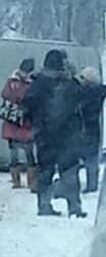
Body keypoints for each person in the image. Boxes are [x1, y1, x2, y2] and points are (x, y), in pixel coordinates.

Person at [22, 49, 86, 217]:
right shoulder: (69, 83)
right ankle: (74, 207)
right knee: (70, 170)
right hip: (68, 135)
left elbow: (26, 106)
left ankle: (44, 205)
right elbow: (82, 100)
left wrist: (35, 124)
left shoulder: (37, 83)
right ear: (61, 64)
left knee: (45, 170)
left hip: (44, 134)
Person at [0, 58, 37, 190]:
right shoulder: (30, 83)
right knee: (26, 152)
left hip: (13, 121)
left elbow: (4, 94)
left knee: (19, 151)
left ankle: (18, 180)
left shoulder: (12, 80)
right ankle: (29, 181)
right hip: (23, 121)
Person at [76, 67, 106, 193]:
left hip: (80, 127)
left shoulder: (80, 91)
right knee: (92, 158)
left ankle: (80, 185)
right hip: (94, 128)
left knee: (78, 157)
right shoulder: (100, 91)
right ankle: (92, 182)